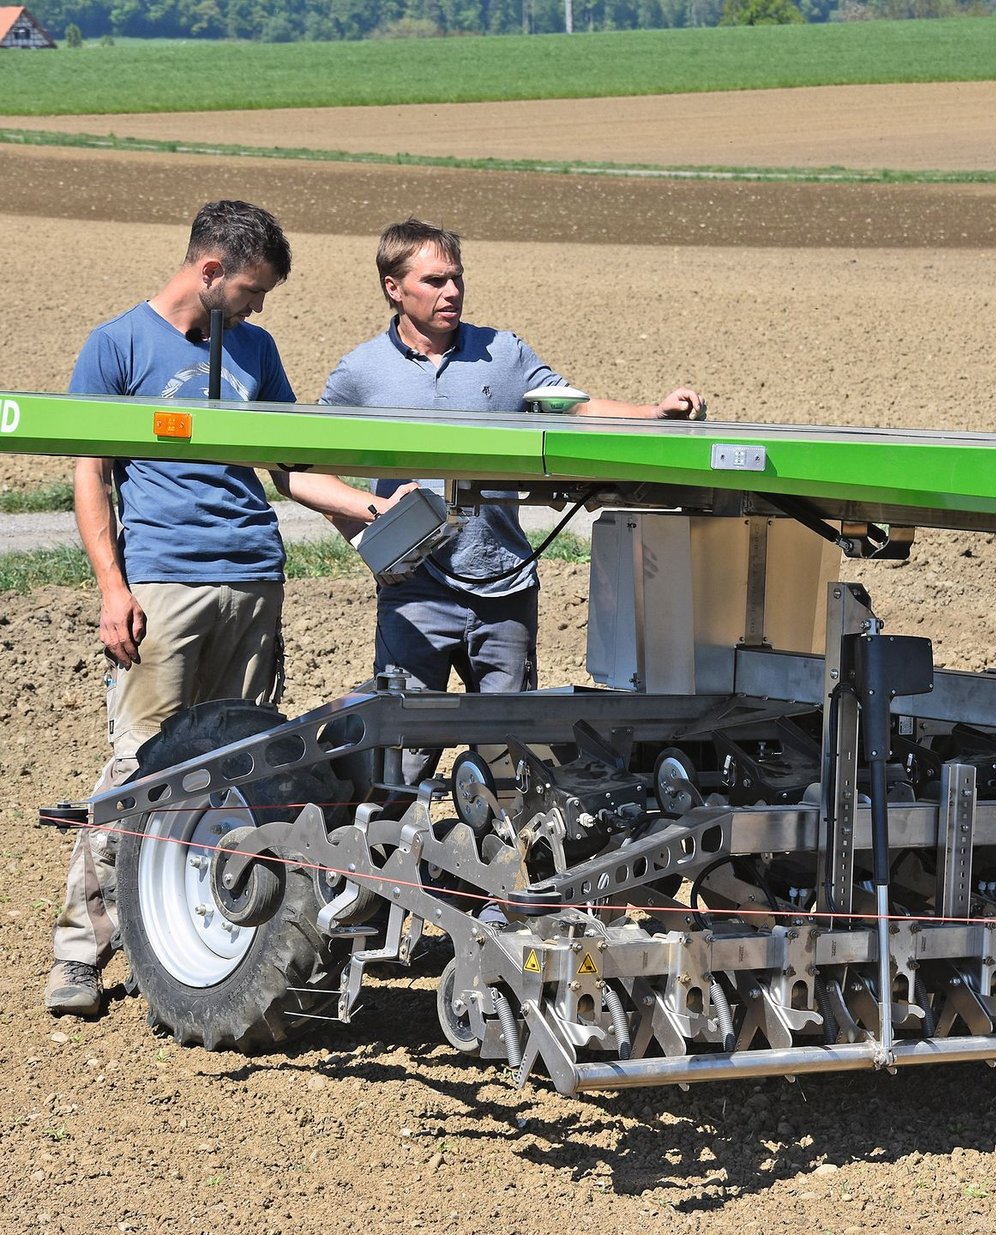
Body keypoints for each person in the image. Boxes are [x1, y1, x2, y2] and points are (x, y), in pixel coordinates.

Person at [44, 200, 395, 1019]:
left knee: (240, 769)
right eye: (251, 289)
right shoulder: (118, 346)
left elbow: (290, 466)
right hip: (164, 584)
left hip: (253, 580)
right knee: (137, 770)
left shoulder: (255, 350)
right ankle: (80, 951)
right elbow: (90, 473)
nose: (258, 307)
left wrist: (371, 510)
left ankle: (199, 943)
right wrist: (112, 587)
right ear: (210, 270)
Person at [321, 218, 704, 783]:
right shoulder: (361, 372)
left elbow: (574, 408)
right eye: (434, 281)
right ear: (393, 288)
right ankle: (387, 835)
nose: (452, 291)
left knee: (509, 756)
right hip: (414, 592)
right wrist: (367, 534)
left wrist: (653, 413)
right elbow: (307, 467)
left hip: (503, 587)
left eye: (456, 278)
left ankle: (496, 836)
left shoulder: (503, 353)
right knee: (401, 755)